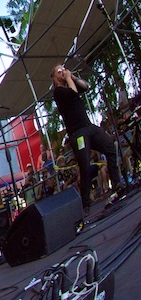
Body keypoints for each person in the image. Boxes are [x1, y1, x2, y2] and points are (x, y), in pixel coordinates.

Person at [50, 64, 121, 214]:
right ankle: (86, 204)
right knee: (85, 166)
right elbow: (73, 94)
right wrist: (68, 78)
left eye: (63, 69)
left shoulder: (70, 84)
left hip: (88, 126)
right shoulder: (58, 92)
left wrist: (73, 77)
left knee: (109, 146)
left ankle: (116, 184)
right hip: (77, 133)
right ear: (55, 77)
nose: (63, 72)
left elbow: (85, 86)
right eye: (59, 71)